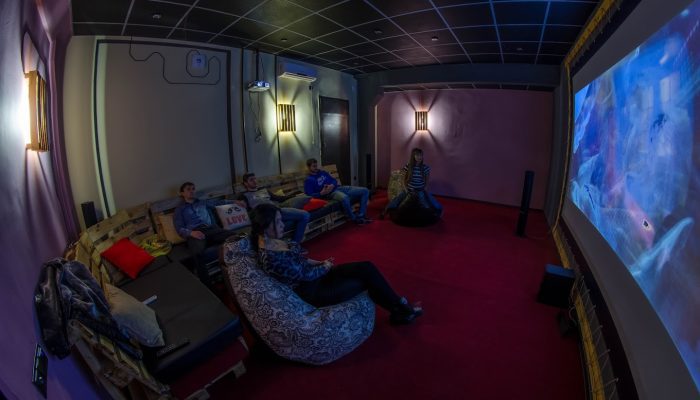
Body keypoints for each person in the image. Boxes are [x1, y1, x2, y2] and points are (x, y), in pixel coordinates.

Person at [251, 203, 423, 325]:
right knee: (364, 281)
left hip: (316, 277)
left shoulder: (273, 240)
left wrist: (319, 263)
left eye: (281, 220)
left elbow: (301, 260)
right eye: (278, 222)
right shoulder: (271, 257)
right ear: (265, 226)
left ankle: (400, 308)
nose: (283, 225)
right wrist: (325, 266)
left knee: (366, 267)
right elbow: (306, 275)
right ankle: (402, 309)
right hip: (312, 291)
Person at [237, 172, 310, 243]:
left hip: (278, 211)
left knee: (305, 215)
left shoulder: (264, 190)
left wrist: (294, 195)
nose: (255, 181)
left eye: (255, 179)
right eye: (251, 180)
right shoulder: (244, 196)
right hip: (267, 217)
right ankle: (292, 244)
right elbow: (246, 213)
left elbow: (278, 198)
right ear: (245, 183)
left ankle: (295, 243)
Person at [173, 181, 243, 255]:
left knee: (236, 237)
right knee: (198, 251)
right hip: (195, 232)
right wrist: (191, 233)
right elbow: (179, 228)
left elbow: (217, 203)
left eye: (193, 189)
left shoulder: (202, 202)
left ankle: (231, 258)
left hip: (210, 229)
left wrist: (234, 201)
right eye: (188, 189)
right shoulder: (179, 209)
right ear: (182, 193)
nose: (191, 191)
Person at [303, 158, 372, 224]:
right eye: (314, 166)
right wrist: (321, 193)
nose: (316, 168)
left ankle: (361, 215)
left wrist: (332, 185)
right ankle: (354, 218)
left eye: (316, 165)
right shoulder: (308, 180)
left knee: (365, 190)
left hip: (338, 188)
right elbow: (309, 195)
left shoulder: (323, 172)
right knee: (345, 198)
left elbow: (334, 180)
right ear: (309, 167)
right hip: (330, 193)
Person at [381, 148, 443, 219]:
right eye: (417, 155)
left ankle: (440, 212)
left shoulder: (425, 168)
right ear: (413, 156)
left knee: (432, 200)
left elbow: (426, 181)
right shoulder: (408, 166)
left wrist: (425, 189)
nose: (419, 157)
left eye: (421, 155)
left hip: (420, 190)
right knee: (397, 199)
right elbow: (403, 179)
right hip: (410, 189)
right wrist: (405, 189)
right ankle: (385, 211)